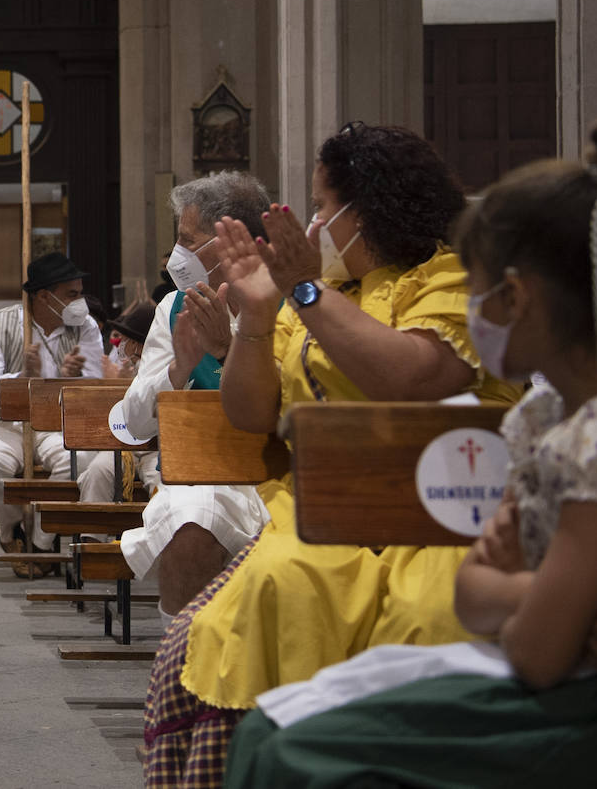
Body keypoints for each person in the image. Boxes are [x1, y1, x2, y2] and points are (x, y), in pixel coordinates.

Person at [140, 123, 524, 788]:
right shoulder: (322, 293)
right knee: (216, 628)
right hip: (310, 515)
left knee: (423, 618)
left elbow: (410, 378)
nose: (314, 222)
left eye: (323, 207)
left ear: (368, 207)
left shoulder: (447, 277)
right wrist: (258, 320)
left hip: (431, 515)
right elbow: (251, 413)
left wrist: (306, 293)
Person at [224, 127, 597, 787]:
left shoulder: (593, 443)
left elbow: (536, 649)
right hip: (536, 654)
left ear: (516, 298)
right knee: (267, 727)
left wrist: (522, 597)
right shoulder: (539, 420)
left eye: (481, 287)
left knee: (298, 752)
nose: (313, 221)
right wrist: (533, 595)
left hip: (571, 700)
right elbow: (484, 592)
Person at [116, 172, 274, 615]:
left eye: (188, 239)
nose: (178, 254)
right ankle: (181, 662)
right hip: (203, 472)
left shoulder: (293, 302)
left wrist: (229, 349)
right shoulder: (174, 308)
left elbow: (290, 401)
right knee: (193, 515)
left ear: (230, 240)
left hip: (280, 473)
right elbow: (133, 421)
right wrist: (178, 368)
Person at [0, 251, 104, 576]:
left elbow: (97, 384)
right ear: (45, 296)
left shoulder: (85, 327)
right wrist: (21, 379)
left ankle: (40, 542)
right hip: (4, 422)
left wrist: (73, 379)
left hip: (58, 424)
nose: (79, 301)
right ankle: (11, 528)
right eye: (72, 294)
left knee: (82, 462)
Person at [74, 302, 163, 523]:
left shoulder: (164, 367)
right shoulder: (119, 366)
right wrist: (114, 385)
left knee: (163, 482)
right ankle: (90, 541)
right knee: (97, 472)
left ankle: (160, 543)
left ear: (139, 344)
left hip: (156, 448)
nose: (120, 345)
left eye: (127, 340)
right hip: (121, 447)